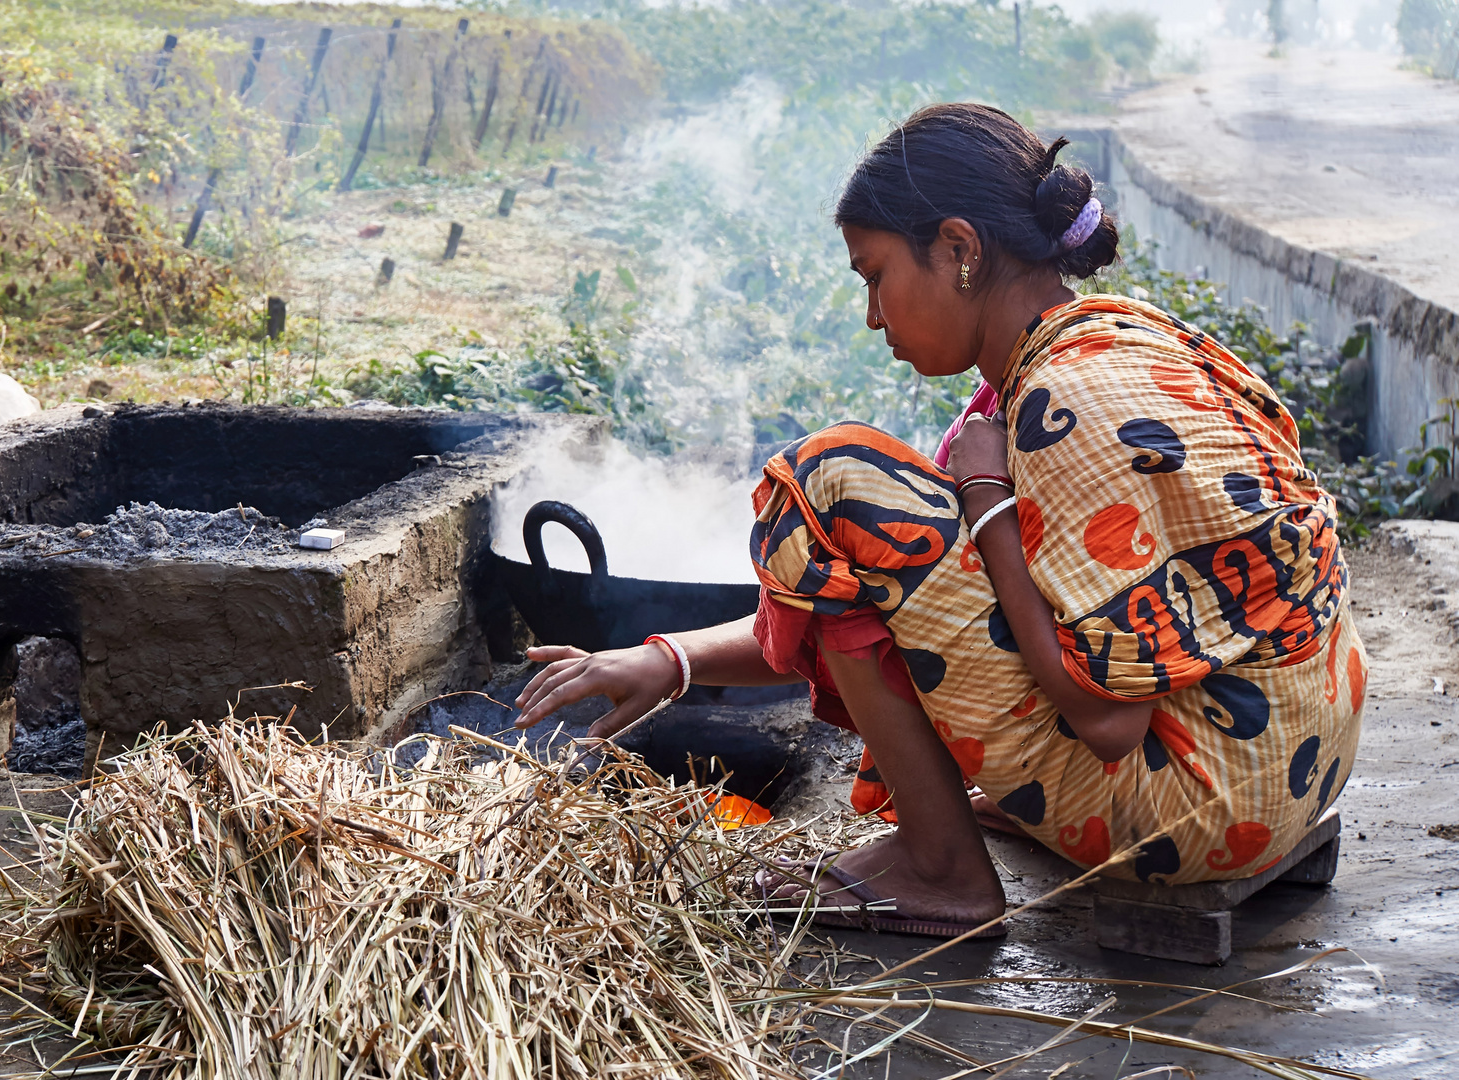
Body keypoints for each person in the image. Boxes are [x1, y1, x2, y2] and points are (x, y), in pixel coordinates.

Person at [513, 102, 1364, 938]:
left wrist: (987, 498)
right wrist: (671, 660)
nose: (874, 316)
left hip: (1196, 812)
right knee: (871, 512)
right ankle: (962, 834)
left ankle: (939, 869)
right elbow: (900, 591)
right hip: (1289, 771)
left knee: (825, 478)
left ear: (958, 249)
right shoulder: (1110, 346)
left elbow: (1107, 720)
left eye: (874, 275)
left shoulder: (1063, 402)